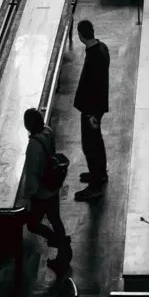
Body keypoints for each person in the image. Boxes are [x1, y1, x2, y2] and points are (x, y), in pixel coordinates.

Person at [21, 107, 72, 272]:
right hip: (53, 185)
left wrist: (29, 196)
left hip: (42, 193)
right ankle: (64, 252)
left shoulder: (33, 145)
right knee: (55, 218)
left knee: (33, 224)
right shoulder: (48, 131)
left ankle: (57, 241)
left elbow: (32, 173)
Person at [74, 19, 110, 198]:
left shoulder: (94, 56)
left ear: (80, 35)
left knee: (90, 145)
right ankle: (100, 174)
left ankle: (95, 184)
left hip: (91, 110)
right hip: (96, 108)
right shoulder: (101, 48)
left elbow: (93, 87)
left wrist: (91, 114)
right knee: (96, 141)